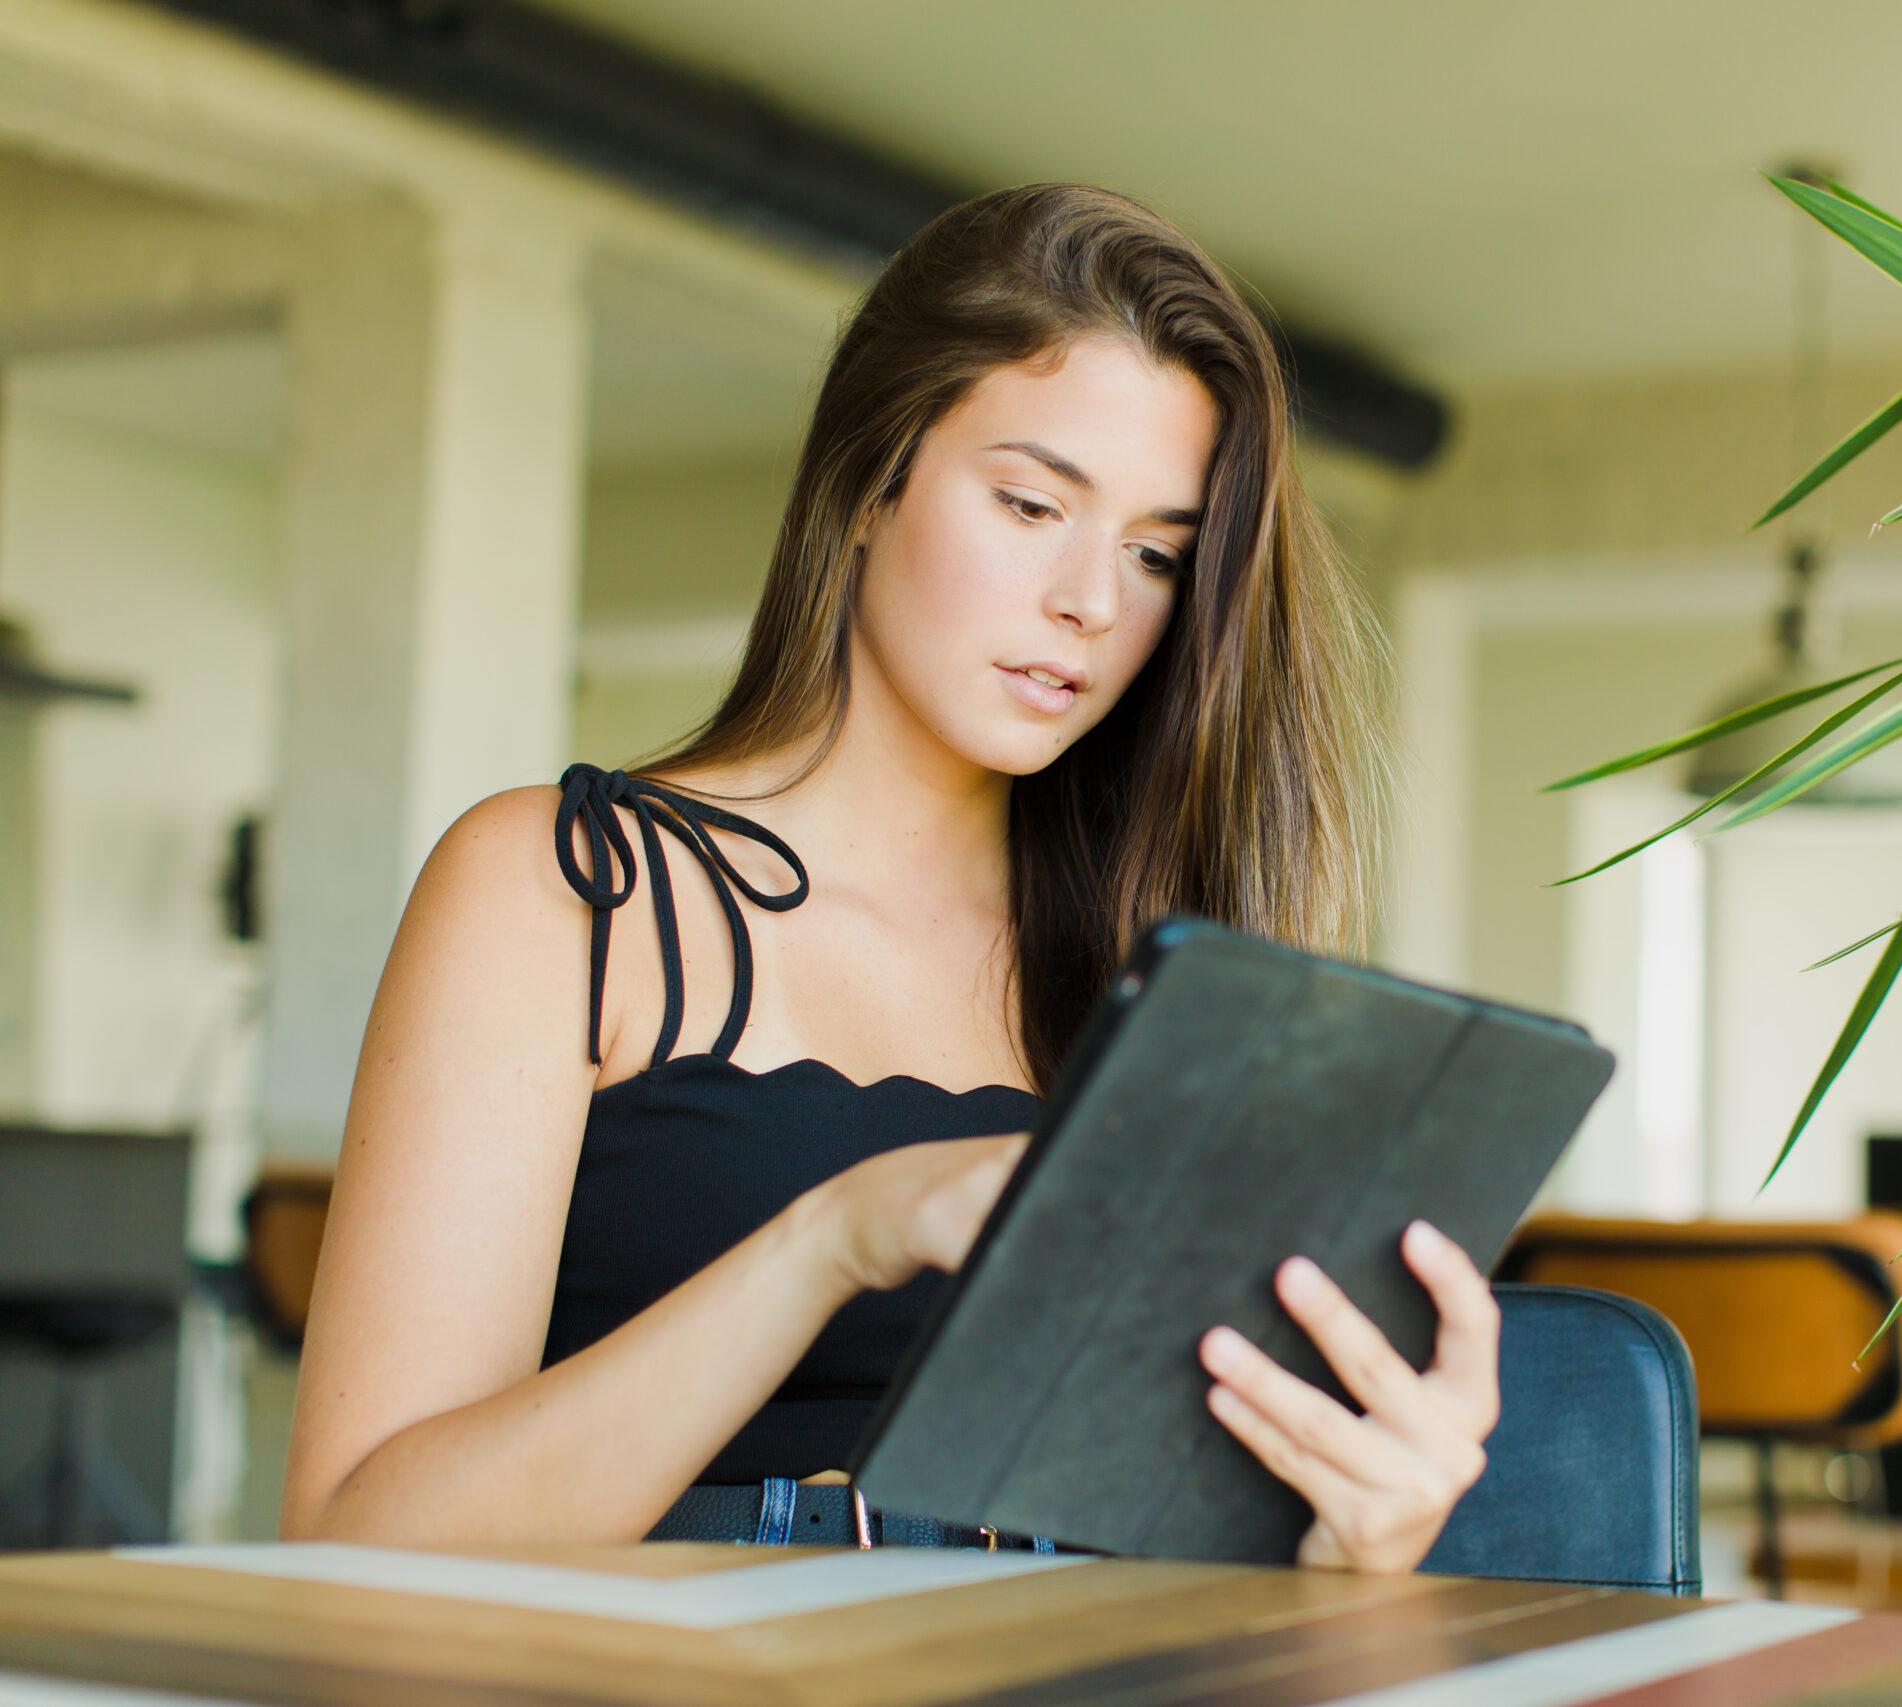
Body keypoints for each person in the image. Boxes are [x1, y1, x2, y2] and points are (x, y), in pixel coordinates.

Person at [276, 184, 1501, 1571]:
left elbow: (1190, 1563)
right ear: (870, 482)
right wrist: (831, 1241)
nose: (1093, 603)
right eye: (1034, 503)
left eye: (1158, 554)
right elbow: (349, 1549)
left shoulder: (1169, 968)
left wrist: (1360, 1536)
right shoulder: (565, 895)